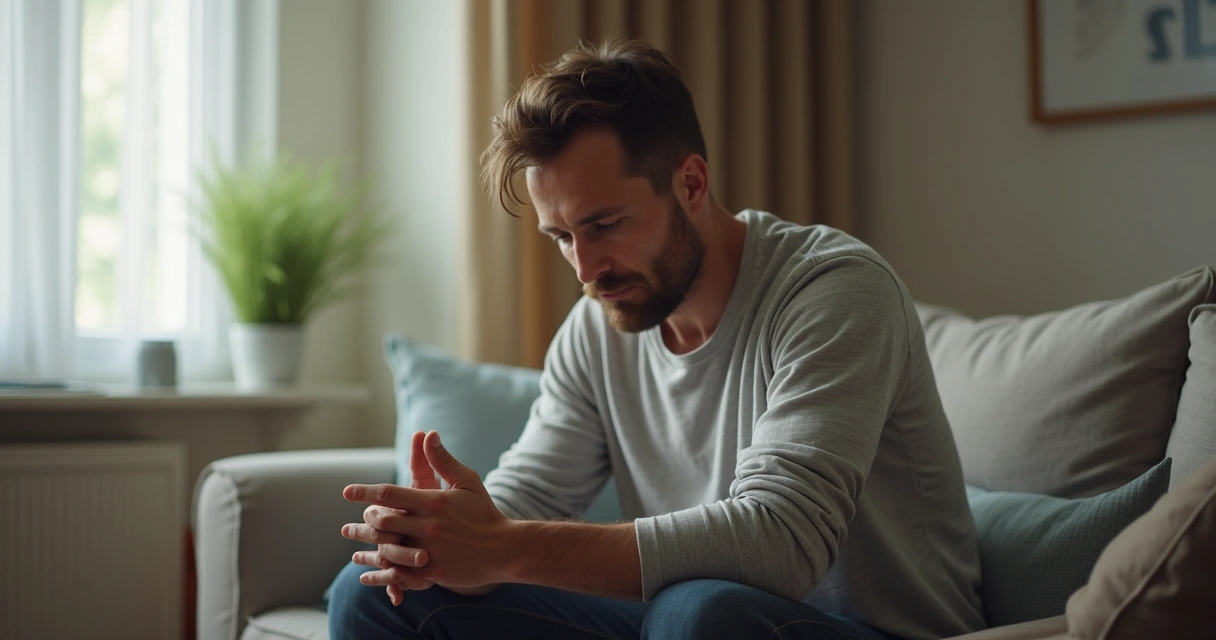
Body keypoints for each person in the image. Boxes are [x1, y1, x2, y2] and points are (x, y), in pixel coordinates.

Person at [327, 37, 983, 640]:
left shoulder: (833, 290)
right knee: (370, 593)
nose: (585, 269)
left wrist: (502, 547)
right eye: (561, 238)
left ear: (691, 184)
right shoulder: (598, 327)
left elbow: (783, 542)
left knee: (698, 612)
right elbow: (527, 498)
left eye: (605, 224)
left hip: (875, 630)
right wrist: (442, 534)